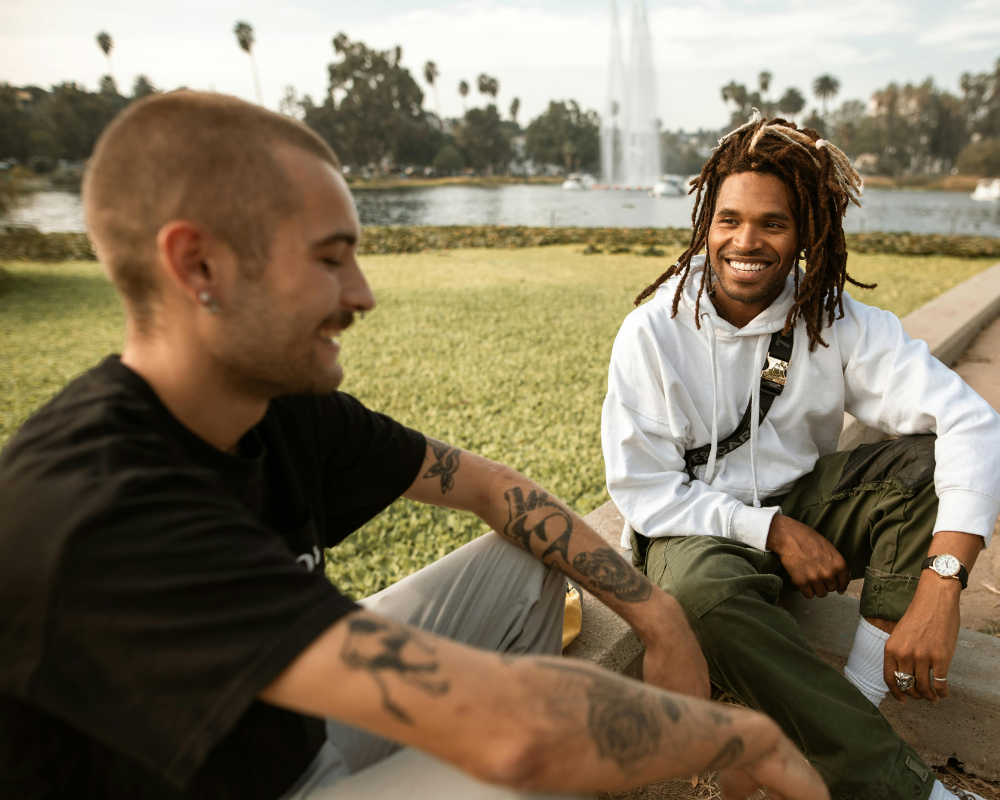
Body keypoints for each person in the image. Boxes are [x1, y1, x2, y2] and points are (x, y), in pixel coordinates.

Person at [0, 93, 826, 800]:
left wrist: (660, 614)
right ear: (199, 264)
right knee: (525, 760)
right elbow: (513, 731)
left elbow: (491, 487)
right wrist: (747, 741)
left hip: (290, 731)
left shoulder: (274, 407)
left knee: (522, 552)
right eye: (330, 260)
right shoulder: (98, 510)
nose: (359, 295)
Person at [602, 110, 997, 800]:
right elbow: (644, 490)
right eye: (728, 220)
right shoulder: (652, 332)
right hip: (696, 528)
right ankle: (911, 790)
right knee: (702, 596)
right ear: (705, 224)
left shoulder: (833, 318)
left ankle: (858, 699)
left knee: (927, 464)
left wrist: (942, 584)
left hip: (807, 501)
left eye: (772, 224)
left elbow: (971, 421)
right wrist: (773, 531)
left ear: (805, 231)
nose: (744, 242)